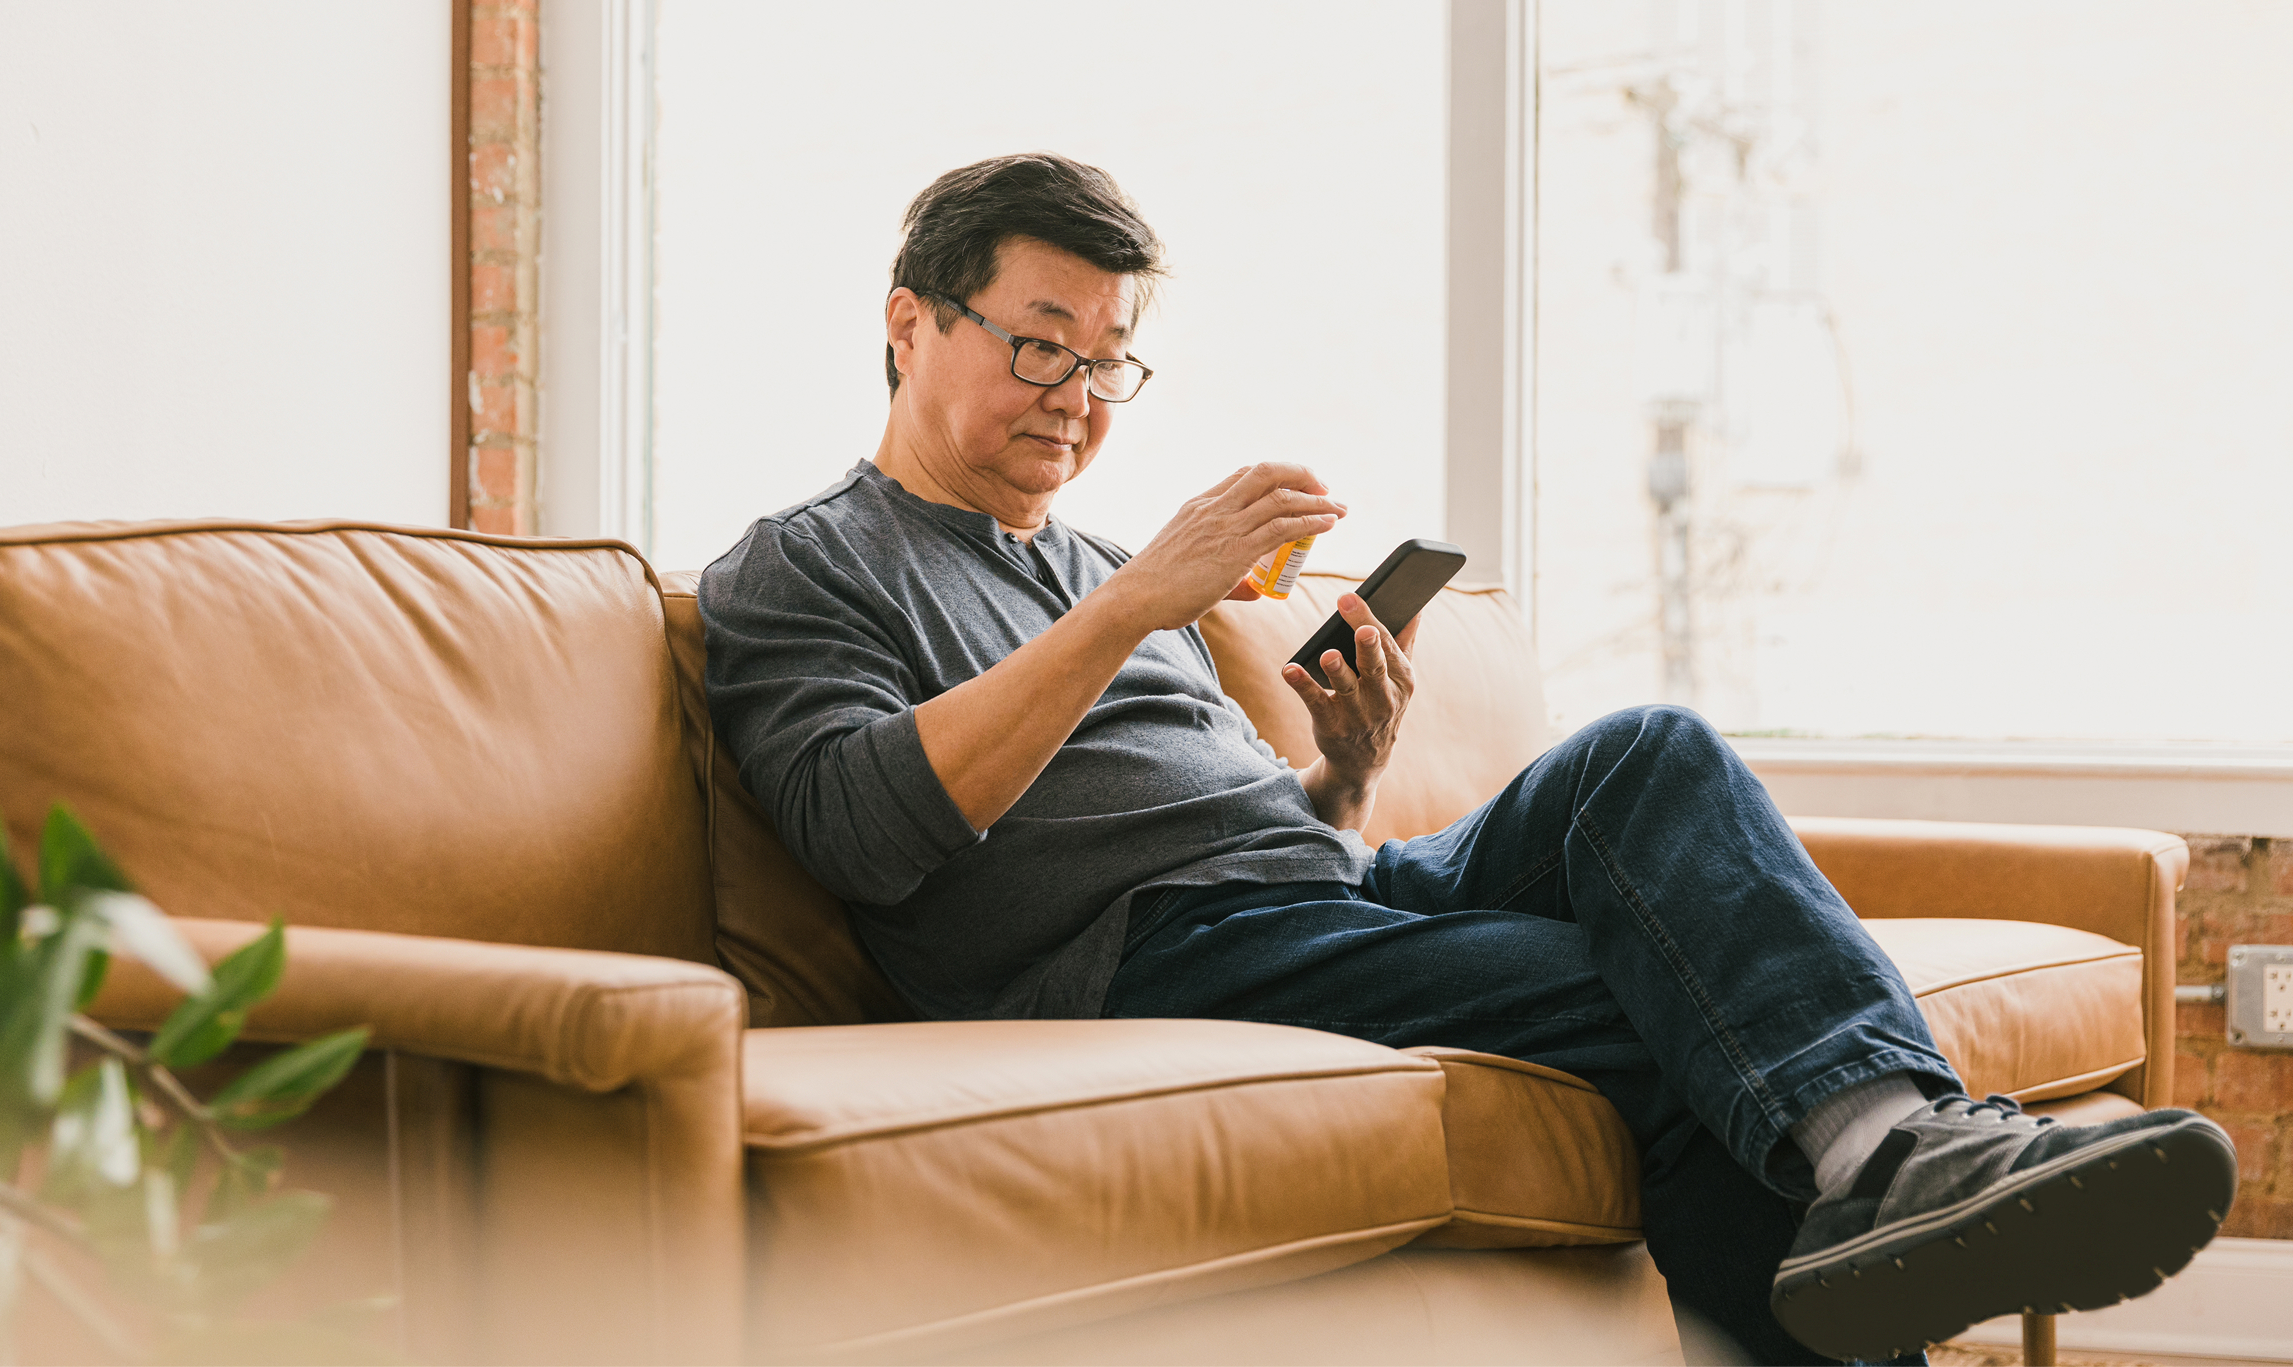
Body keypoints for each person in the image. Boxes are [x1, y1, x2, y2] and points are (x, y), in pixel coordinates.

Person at [698, 152, 2235, 1364]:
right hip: (1138, 958)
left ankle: (1896, 1147)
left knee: (1645, 753)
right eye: (1043, 348)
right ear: (909, 323)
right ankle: (1889, 1157)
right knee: (1683, 1019)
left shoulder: (1096, 563)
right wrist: (1134, 601)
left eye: (1110, 365)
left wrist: (1344, 772)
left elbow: (1262, 839)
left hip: (1321, 895)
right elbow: (863, 832)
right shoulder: (807, 567)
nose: (1080, 401)